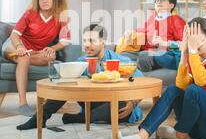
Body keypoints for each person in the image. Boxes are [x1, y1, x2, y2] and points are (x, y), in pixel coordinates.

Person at [118, 18, 206, 139]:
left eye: (194, 35)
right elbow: (181, 86)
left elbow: (201, 80)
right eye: (188, 36)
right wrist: (184, 54)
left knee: (194, 90)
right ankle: (141, 137)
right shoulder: (194, 57)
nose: (190, 40)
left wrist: (192, 51)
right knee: (173, 90)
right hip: (198, 126)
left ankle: (180, 133)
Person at [16, 24, 144, 131]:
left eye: (91, 41)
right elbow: (67, 85)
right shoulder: (81, 62)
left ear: (103, 41)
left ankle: (80, 118)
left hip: (118, 105)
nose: (87, 45)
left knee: (119, 103)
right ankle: (39, 119)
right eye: (84, 41)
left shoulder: (121, 60)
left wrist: (133, 103)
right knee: (65, 85)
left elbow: (142, 82)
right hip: (92, 102)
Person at [2, 0, 71, 117]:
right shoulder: (30, 13)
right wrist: (19, 47)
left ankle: (52, 99)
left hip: (33, 51)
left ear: (55, 0)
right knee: (24, 57)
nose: (44, 1)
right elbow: (14, 35)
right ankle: (23, 104)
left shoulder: (62, 18)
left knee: (51, 57)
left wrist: (52, 48)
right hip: (14, 45)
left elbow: (64, 41)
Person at [121, 0, 186, 71]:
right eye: (157, 0)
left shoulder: (176, 20)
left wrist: (164, 43)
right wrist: (128, 32)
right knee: (123, 56)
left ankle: (142, 79)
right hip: (145, 51)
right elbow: (137, 31)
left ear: (171, 5)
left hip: (165, 53)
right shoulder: (151, 20)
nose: (159, 1)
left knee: (144, 55)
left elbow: (184, 44)